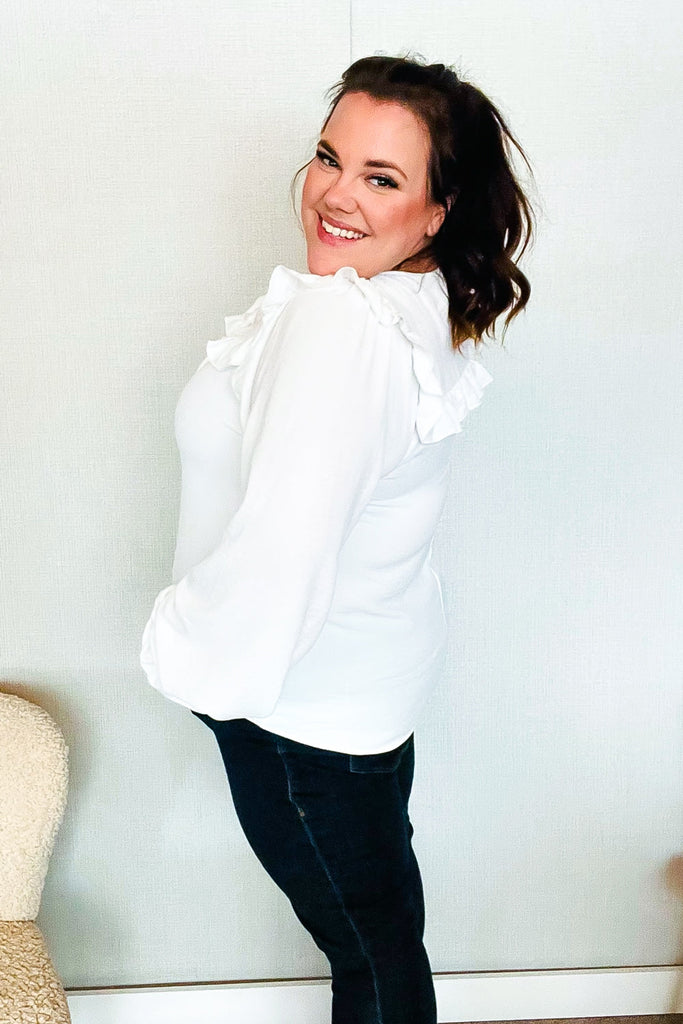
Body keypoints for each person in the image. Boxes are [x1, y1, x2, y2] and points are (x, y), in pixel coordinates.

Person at [140, 54, 534, 1024]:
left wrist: (178, 644)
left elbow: (284, 551)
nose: (335, 195)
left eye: (381, 177)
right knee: (381, 939)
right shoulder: (412, 299)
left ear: (438, 210)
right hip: (364, 699)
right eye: (329, 158)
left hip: (302, 718)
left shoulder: (341, 327)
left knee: (372, 957)